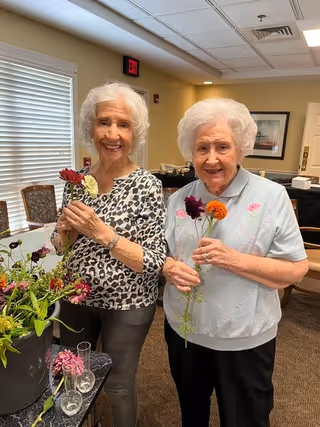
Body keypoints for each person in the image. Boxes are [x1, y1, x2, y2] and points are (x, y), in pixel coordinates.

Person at [162, 98, 308, 427]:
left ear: (240, 149)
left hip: (246, 340)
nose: (211, 158)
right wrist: (168, 267)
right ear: (191, 152)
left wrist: (234, 259)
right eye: (202, 148)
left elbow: (295, 270)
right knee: (191, 415)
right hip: (185, 336)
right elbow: (166, 253)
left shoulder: (271, 197)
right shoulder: (179, 199)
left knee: (246, 419)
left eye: (222, 147)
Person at [51, 82, 166, 427]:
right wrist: (64, 233)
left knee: (117, 384)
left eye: (123, 124)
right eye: (104, 122)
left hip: (127, 303)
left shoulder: (147, 184)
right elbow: (62, 245)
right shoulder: (77, 180)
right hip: (75, 295)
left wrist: (100, 232)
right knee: (76, 375)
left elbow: (154, 260)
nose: (112, 134)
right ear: (91, 127)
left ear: (135, 134)